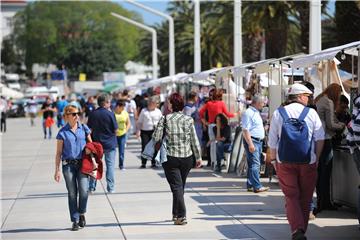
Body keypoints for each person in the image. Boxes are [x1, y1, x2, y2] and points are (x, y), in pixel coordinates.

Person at [268, 83, 325, 240]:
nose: (309, 99)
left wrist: (273, 160)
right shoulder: (312, 114)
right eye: (308, 96)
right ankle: (301, 230)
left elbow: (272, 141)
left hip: (284, 162)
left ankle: (296, 230)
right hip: (308, 161)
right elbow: (320, 139)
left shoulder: (278, 113)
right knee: (306, 198)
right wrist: (317, 158)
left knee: (291, 196)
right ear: (300, 96)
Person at [153, 92, 202, 225]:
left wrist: (159, 143)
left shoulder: (164, 119)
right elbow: (194, 140)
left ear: (171, 105)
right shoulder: (189, 120)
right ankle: (175, 213)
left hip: (170, 157)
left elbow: (156, 138)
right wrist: (198, 157)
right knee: (180, 187)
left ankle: (181, 215)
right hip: (187, 158)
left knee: (176, 187)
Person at [54, 104, 92, 231]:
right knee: (72, 193)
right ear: (67, 116)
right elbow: (59, 152)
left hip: (83, 164)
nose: (77, 116)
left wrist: (94, 162)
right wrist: (57, 170)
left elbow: (91, 146)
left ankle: (82, 213)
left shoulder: (84, 128)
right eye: (74, 114)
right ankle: (75, 220)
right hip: (68, 166)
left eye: (78, 113)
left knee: (84, 191)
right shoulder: (62, 132)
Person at [315, 83, 345, 213]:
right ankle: (325, 202)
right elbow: (331, 124)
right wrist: (343, 126)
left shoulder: (320, 99)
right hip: (326, 140)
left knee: (321, 172)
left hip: (318, 139)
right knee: (326, 172)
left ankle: (322, 200)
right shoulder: (328, 102)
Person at [87, 94, 118, 193]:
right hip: (110, 144)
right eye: (109, 102)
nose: (110, 104)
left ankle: (92, 187)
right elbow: (115, 129)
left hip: (96, 144)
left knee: (95, 165)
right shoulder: (110, 114)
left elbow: (89, 129)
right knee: (110, 166)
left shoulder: (93, 114)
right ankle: (111, 188)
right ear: (105, 103)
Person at [241, 94, 269, 193]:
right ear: (257, 103)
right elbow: (245, 130)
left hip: (257, 140)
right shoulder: (249, 113)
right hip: (253, 140)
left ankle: (250, 184)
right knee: (255, 164)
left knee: (252, 163)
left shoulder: (255, 112)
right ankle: (257, 186)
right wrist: (250, 144)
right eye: (262, 103)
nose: (264, 105)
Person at [136, 96, 162, 168]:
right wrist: (138, 131)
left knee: (155, 147)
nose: (152, 105)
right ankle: (143, 162)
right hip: (145, 131)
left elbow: (161, 122)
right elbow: (140, 122)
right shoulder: (144, 111)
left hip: (155, 131)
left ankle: (153, 162)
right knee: (144, 147)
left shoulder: (158, 111)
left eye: (154, 103)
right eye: (151, 103)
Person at [114, 100, 131, 170]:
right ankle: (111, 165)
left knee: (121, 151)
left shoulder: (125, 113)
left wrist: (126, 130)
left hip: (122, 134)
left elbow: (128, 123)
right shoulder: (113, 114)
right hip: (114, 135)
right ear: (118, 106)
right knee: (112, 151)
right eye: (122, 107)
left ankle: (121, 165)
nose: (123, 109)